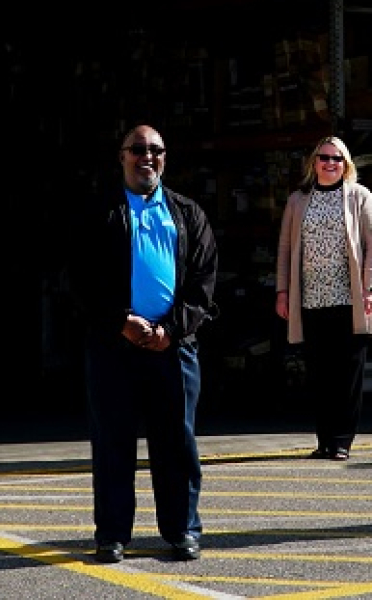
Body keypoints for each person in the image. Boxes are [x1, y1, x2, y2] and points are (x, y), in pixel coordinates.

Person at [74, 124, 219, 563]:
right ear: (121, 157)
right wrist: (123, 322)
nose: (147, 157)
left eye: (155, 150)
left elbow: (204, 283)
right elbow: (83, 281)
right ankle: (113, 535)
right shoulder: (99, 211)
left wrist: (169, 330)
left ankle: (181, 531)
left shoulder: (187, 213)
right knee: (114, 441)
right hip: (114, 346)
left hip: (173, 347)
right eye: (137, 150)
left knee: (177, 442)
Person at [275, 137, 372, 461]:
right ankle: (323, 440)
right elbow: (284, 249)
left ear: (346, 164)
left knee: (347, 373)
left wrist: (371, 289)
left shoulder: (360, 197)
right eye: (323, 157)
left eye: (337, 158)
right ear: (314, 162)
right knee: (319, 373)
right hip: (311, 300)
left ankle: (341, 441)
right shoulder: (297, 200)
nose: (330, 163)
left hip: (350, 300)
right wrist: (282, 291)